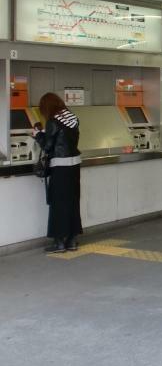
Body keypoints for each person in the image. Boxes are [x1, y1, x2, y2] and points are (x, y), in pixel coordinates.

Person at [33, 92, 82, 253]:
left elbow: (48, 146)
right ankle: (72, 241)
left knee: (58, 203)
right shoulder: (73, 119)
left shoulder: (53, 122)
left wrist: (38, 135)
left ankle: (59, 243)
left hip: (60, 167)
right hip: (74, 166)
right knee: (72, 202)